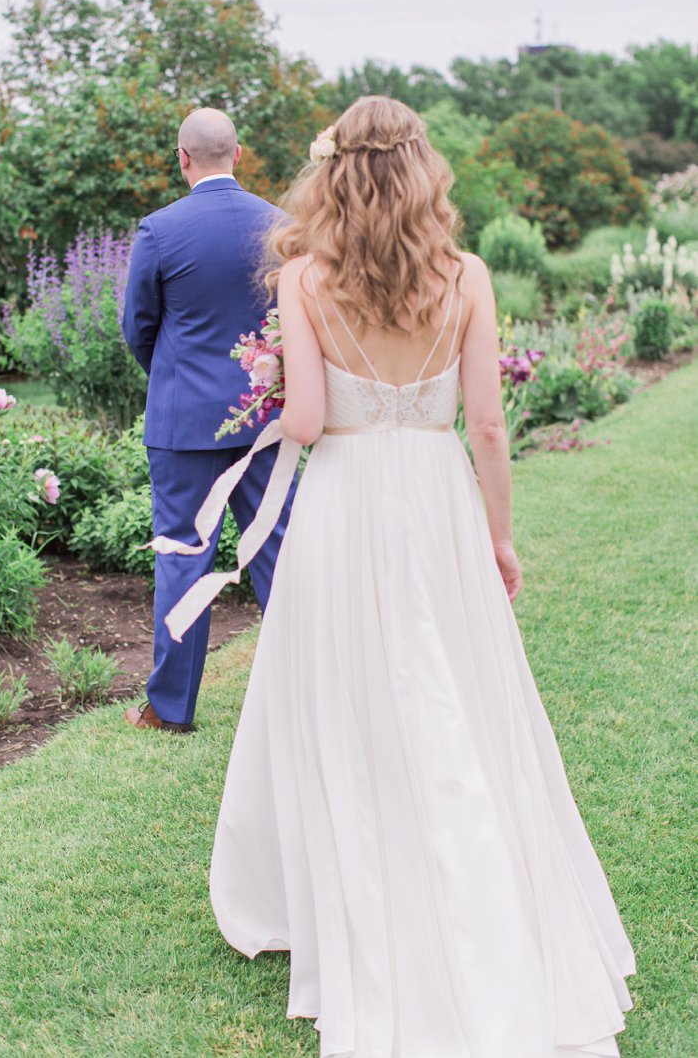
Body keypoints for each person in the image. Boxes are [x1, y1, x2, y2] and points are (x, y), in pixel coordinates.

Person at [169, 98, 635, 1054]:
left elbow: (302, 423)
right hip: (435, 498)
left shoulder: (303, 276)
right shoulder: (465, 275)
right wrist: (500, 540)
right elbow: (489, 428)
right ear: (425, 172)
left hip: (343, 503)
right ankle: (470, 867)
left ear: (332, 174)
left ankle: (360, 881)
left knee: (347, 694)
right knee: (451, 685)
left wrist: (271, 401)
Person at [121, 107, 295, 733]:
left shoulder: (159, 230)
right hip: (266, 421)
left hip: (182, 425)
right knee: (279, 551)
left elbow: (137, 328)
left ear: (182, 157)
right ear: (239, 155)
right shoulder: (282, 226)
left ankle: (170, 711)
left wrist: (174, 381)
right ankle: (304, 695)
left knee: (183, 555)